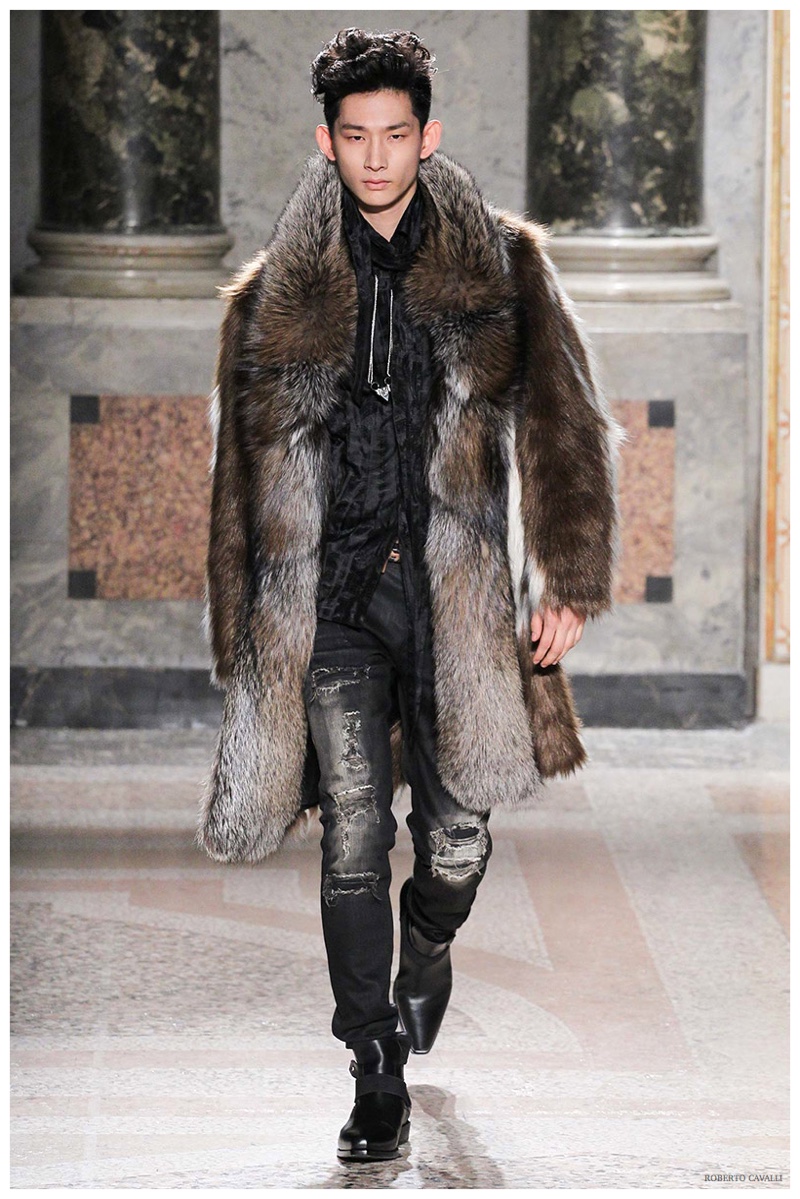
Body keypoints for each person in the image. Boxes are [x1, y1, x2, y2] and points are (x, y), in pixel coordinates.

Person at [198, 27, 622, 1163]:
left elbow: (565, 423)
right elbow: (237, 485)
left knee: (453, 841)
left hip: (458, 601)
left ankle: (428, 943)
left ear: (427, 136)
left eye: (395, 134)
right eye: (356, 137)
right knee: (350, 830)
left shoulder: (503, 267)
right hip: (333, 602)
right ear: (325, 141)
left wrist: (568, 576)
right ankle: (372, 1065)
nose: (376, 157)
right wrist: (242, 644)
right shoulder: (271, 298)